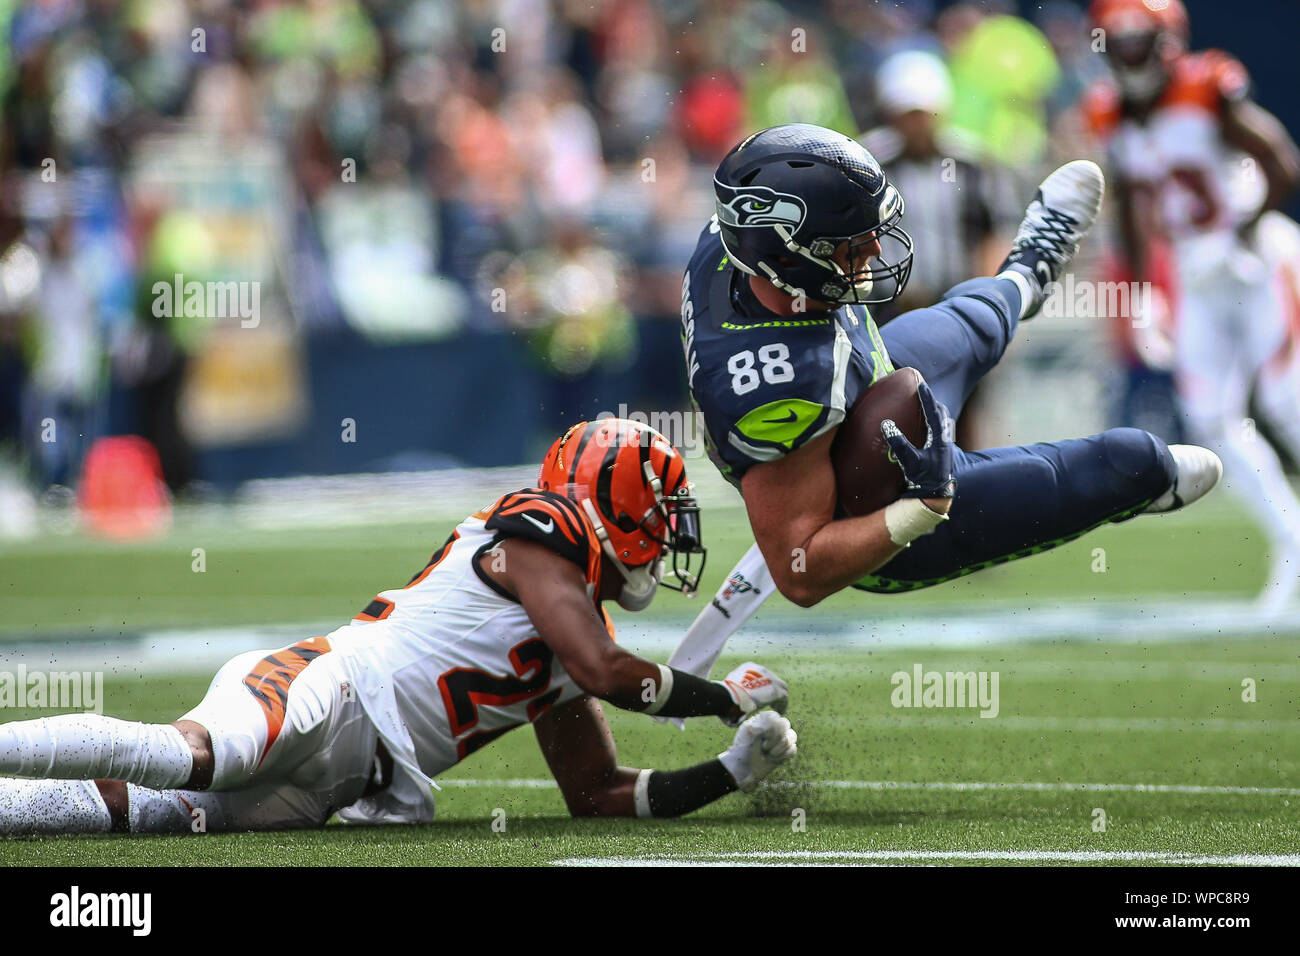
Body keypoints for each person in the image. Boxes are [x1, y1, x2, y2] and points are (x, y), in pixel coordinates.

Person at [0, 419, 796, 834]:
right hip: (335, 687)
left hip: (351, 782)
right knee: (185, 754)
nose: (666, 537)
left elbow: (597, 795)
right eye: (657, 515)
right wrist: (722, 698)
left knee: (134, 813)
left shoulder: (568, 633)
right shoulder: (541, 527)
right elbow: (604, 671)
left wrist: (729, 771)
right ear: (609, 502)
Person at [670, 123, 1222, 674]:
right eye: (852, 244)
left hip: (861, 387)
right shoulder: (778, 389)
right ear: (787, 255)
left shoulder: (735, 243)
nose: (876, 249)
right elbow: (799, 572)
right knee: (1132, 460)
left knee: (971, 321)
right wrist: (922, 507)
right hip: (878, 511)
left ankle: (1031, 268)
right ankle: (1142, 486)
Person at [1085, 0, 1300, 611]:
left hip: (1256, 260)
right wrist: (1144, 289)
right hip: (1192, 273)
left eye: (1139, 40)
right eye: (1118, 42)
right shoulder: (1109, 111)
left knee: (1288, 403)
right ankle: (1293, 543)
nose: (1129, 54)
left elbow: (1281, 160)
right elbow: (1127, 203)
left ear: (1167, 40)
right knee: (1210, 421)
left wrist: (1244, 229)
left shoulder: (1206, 86)